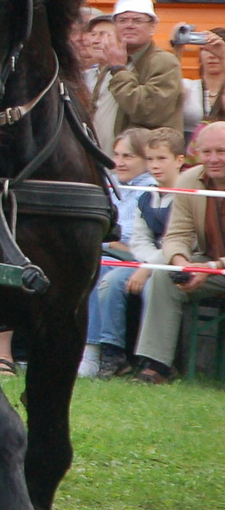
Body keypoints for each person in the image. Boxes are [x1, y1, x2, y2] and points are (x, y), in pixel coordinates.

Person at [84, 126, 182, 378]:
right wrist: (145, 262)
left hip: (171, 264)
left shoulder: (183, 192)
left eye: (128, 156)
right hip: (140, 261)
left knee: (151, 285)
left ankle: (156, 361)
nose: (119, 162)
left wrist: (148, 267)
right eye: (151, 159)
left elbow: (179, 240)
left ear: (179, 160)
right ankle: (113, 353)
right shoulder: (145, 196)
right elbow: (140, 238)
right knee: (109, 281)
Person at [131, 120, 225, 383]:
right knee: (164, 272)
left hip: (214, 267)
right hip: (209, 265)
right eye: (207, 152)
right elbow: (177, 234)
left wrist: (210, 268)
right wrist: (181, 262)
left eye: (222, 151)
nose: (213, 158)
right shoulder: (188, 179)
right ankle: (158, 365)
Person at [97, 0, 184, 137]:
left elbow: (148, 111)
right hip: (99, 156)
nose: (129, 25)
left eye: (137, 20)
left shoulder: (164, 63)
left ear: (152, 27)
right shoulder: (111, 61)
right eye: (122, 20)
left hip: (144, 157)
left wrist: (119, 70)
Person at [185, 29, 225, 133]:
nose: (212, 55)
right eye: (206, 50)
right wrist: (177, 48)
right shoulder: (187, 86)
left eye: (217, 49)